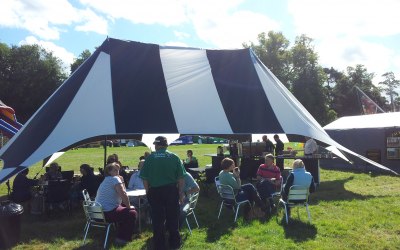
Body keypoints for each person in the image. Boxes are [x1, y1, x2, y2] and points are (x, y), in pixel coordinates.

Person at [140, 136, 186, 250]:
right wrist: (180, 193)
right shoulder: (174, 157)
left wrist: (147, 191)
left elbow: (144, 178)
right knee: (172, 217)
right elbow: (181, 178)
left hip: (155, 191)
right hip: (171, 190)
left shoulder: (150, 158)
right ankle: (174, 243)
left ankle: (159, 244)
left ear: (156, 145)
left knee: (157, 218)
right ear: (166, 145)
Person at [95, 162, 137, 245]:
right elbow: (123, 194)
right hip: (106, 213)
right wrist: (129, 207)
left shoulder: (106, 180)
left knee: (124, 207)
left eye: (118, 170)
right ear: (109, 171)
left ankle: (126, 232)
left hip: (97, 213)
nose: (118, 172)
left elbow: (123, 191)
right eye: (115, 170)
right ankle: (122, 238)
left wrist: (122, 181)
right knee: (132, 213)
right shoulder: (114, 179)